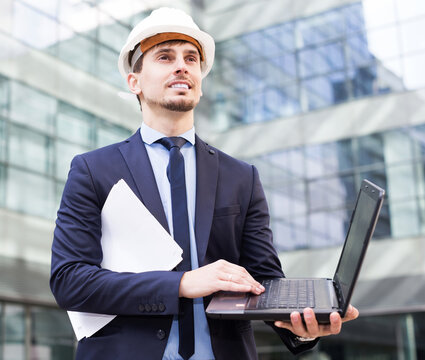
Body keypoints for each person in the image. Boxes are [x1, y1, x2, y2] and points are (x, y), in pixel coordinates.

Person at [50, 7, 359, 360]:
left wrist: (302, 327)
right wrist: (182, 284)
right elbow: (70, 280)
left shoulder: (242, 177)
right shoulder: (93, 170)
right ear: (134, 81)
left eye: (191, 58)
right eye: (165, 57)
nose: (182, 65)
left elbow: (264, 281)